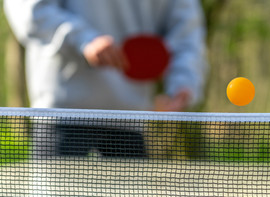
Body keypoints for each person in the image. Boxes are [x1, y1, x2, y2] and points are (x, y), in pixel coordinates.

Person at [4, 0, 207, 158]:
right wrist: (83, 38)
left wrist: (184, 81)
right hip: (62, 117)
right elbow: (29, 10)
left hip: (130, 121)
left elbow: (186, 29)